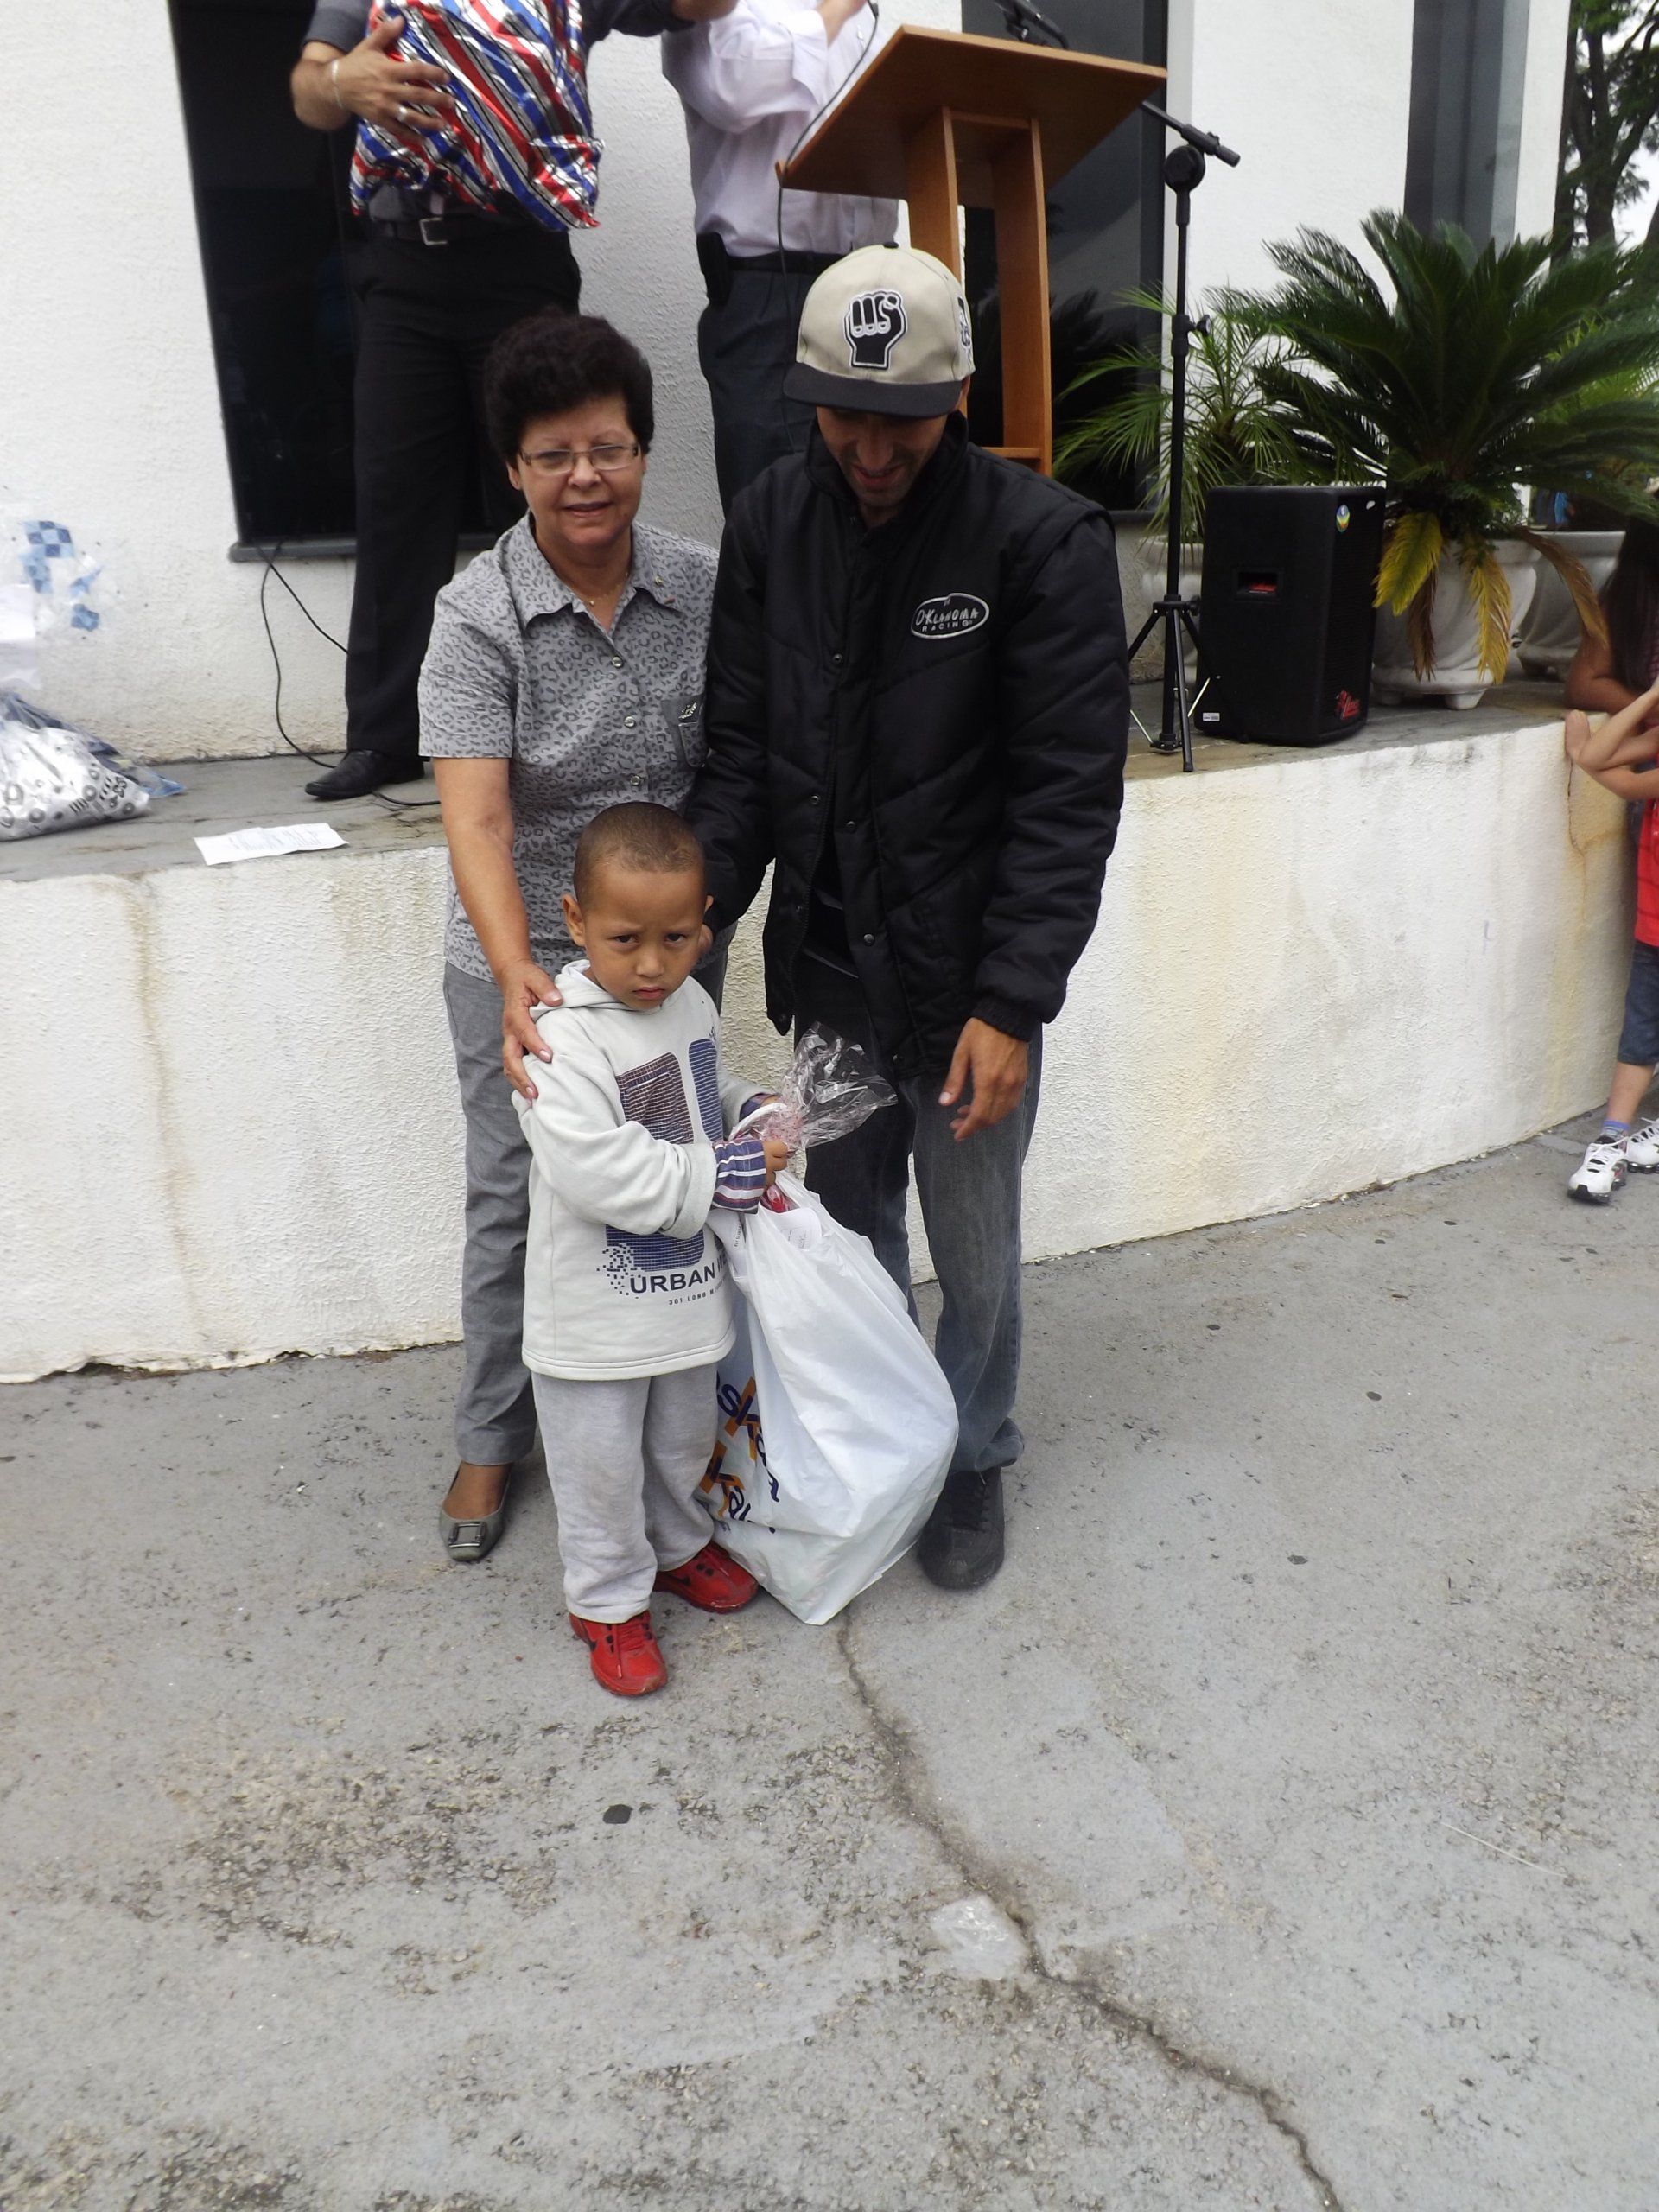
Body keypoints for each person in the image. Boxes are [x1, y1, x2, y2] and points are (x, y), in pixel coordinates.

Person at [686, 243, 1130, 1593]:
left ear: (958, 399)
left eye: (904, 422)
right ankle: (888, 1437)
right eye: (845, 417)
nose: (872, 452)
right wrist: (687, 923)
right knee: (851, 1224)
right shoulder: (770, 521)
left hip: (968, 983)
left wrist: (1012, 1001)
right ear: (809, 398)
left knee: (977, 1255)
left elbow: (1065, 800)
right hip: (831, 966)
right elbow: (740, 756)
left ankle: (974, 1450)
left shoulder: (1042, 541)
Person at [419, 310, 720, 1561]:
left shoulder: (703, 586)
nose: (584, 477)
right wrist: (514, 974)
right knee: (516, 1196)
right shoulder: (476, 613)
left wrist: (693, 932)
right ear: (514, 468)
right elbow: (478, 819)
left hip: (661, 949)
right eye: (554, 456)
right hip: (527, 962)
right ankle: (493, 1436)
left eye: (608, 448)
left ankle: (681, 1417)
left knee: (676, 1173)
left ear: (643, 451)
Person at [291, 0, 733, 801]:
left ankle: (556, 725)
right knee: (393, 499)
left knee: (546, 495)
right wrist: (341, 81)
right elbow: (307, 91)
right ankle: (383, 738)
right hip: (402, 269)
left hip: (520, 262)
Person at [515, 803, 789, 1695]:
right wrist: (726, 1174)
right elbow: (594, 1169)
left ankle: (677, 1547)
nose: (650, 964)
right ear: (575, 920)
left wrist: (749, 1109)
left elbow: (703, 1088)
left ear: (703, 923)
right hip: (593, 1319)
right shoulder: (559, 1036)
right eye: (625, 939)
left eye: (675, 939)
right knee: (598, 1467)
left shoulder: (690, 1003)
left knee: (681, 1442)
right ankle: (605, 1600)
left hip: (685, 1299)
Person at [661, 0, 895, 512]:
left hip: (873, 285)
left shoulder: (867, 19)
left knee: (875, 501)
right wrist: (836, 10)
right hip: (767, 293)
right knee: (775, 508)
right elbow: (732, 89)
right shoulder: (723, 6)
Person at [1562, 678, 1659, 1203]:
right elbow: (1603, 759)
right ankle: (1611, 1139)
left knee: (1642, 1031)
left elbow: (1613, 776)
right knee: (1639, 1034)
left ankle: (1615, 1138)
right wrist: (1646, 700)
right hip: (1655, 928)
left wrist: (1583, 753)